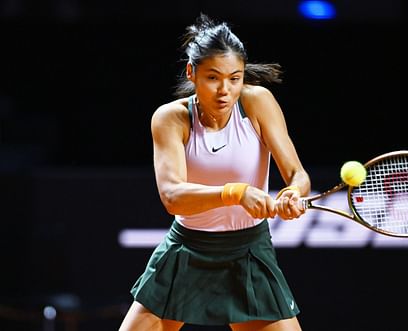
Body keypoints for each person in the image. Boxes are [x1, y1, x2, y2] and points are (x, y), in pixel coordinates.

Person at [119, 13, 311, 331]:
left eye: (234, 78)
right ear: (191, 73)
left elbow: (298, 175)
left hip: (249, 251)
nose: (225, 90)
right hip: (187, 251)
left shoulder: (257, 103)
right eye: (213, 77)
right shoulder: (171, 119)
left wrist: (293, 192)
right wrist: (235, 193)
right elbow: (172, 196)